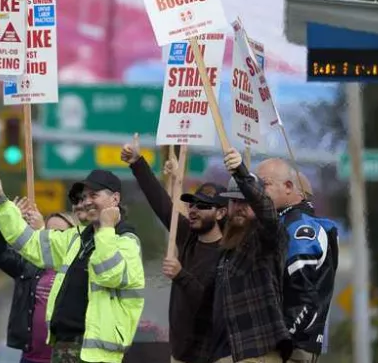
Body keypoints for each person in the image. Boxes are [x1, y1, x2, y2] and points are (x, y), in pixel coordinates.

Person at [0, 169, 145, 363]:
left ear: (115, 199)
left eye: (94, 195)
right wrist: (1, 199)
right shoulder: (77, 239)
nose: (86, 202)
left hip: (98, 356)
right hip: (64, 349)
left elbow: (108, 274)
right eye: (84, 197)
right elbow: (29, 242)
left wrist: (106, 229)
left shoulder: (127, 242)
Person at [120, 134, 226, 363]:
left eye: (203, 206)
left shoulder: (229, 253)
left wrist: (180, 275)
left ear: (221, 213)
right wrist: (137, 163)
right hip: (178, 354)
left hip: (210, 356)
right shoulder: (187, 236)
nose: (194, 209)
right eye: (192, 203)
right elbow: (162, 204)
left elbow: (211, 303)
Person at [205, 149, 291, 363]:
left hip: (257, 353)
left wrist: (241, 173)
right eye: (234, 202)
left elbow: (267, 212)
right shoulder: (227, 248)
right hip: (226, 354)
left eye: (246, 201)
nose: (239, 207)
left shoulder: (265, 238)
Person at [256, 158, 338, 363]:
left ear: (289, 187)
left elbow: (304, 295)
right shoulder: (283, 223)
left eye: (263, 184)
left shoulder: (300, 229)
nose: (256, 192)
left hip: (291, 349)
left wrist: (284, 339)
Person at [0, 200, 76, 363]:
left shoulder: (79, 268)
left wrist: (42, 231)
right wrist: (6, 220)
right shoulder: (30, 265)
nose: (52, 236)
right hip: (31, 358)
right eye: (49, 231)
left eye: (59, 232)